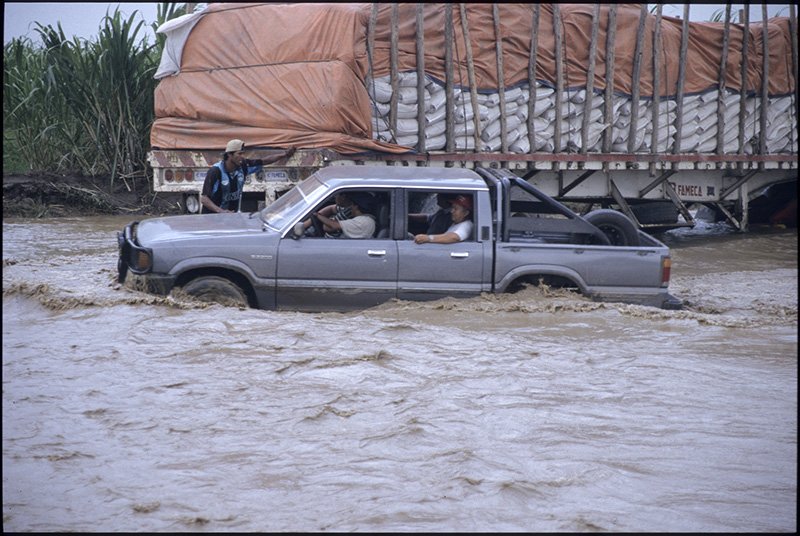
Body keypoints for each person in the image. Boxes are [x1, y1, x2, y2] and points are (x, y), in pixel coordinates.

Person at [200, 139, 295, 213]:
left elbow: (264, 161)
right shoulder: (215, 171)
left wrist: (285, 154)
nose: (242, 157)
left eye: (243, 154)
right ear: (229, 155)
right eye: (239, 154)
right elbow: (204, 199)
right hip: (212, 218)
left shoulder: (243, 166)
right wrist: (221, 211)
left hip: (230, 218)